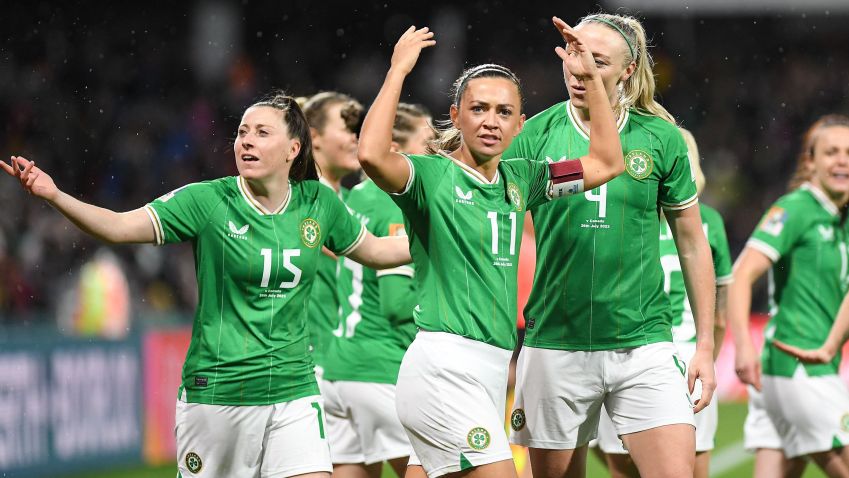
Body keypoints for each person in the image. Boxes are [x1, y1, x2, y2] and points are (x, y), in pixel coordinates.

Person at [2, 92, 412, 478]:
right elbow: (119, 227)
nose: (246, 141)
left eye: (262, 132)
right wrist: (55, 195)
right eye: (242, 132)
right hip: (219, 392)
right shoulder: (207, 201)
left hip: (295, 389)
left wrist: (440, 236)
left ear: (293, 149)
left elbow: (377, 250)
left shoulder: (318, 203)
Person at [357, 23, 624, 478]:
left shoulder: (523, 180)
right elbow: (372, 155)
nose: (490, 121)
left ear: (520, 125)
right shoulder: (431, 177)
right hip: (444, 366)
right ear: (456, 115)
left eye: (504, 112)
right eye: (478, 109)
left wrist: (591, 78)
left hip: (491, 370)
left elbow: (607, 161)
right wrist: (398, 71)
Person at [503, 13, 717, 478]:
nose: (580, 70)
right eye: (574, 56)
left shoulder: (660, 137)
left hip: (643, 343)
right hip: (555, 343)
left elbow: (692, 243)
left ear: (628, 69)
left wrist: (705, 345)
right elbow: (496, 232)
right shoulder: (531, 136)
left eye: (597, 61)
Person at [593, 127, 733, 478]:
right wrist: (707, 356)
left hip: (628, 351)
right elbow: (720, 316)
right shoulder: (708, 222)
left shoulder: (620, 215)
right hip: (689, 360)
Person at [729, 114, 849, 478]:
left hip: (791, 370)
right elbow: (741, 275)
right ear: (810, 162)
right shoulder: (796, 209)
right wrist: (743, 347)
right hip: (800, 367)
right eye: (831, 152)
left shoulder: (840, 217)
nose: (842, 161)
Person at [320, 103, 434, 478]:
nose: (436, 153)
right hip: (380, 368)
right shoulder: (395, 207)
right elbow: (397, 304)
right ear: (395, 149)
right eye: (428, 144)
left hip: (339, 368)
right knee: (437, 468)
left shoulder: (355, 197)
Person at [300, 91, 364, 378]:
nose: (355, 139)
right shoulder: (298, 201)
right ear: (314, 137)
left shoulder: (355, 202)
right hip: (308, 360)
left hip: (347, 363)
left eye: (357, 131)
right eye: (347, 130)